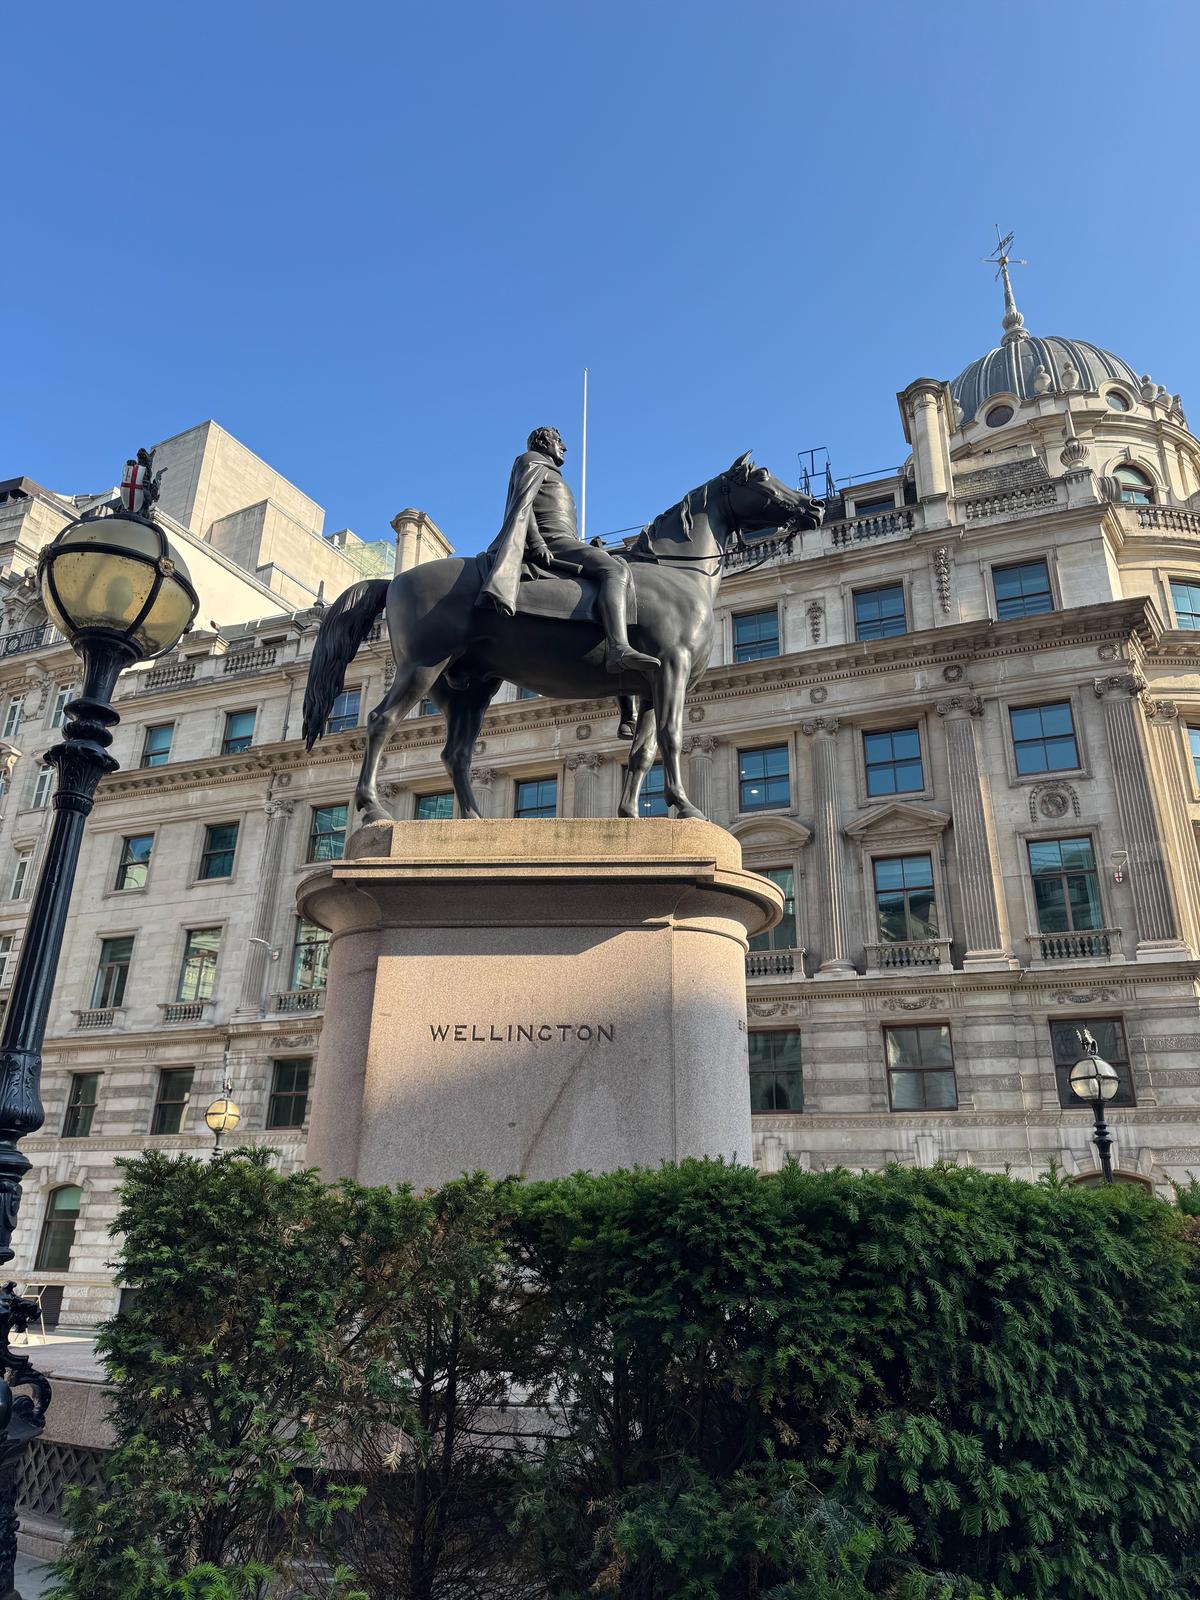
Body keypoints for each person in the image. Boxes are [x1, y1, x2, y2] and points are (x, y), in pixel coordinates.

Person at [479, 427, 660, 675]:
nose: (564, 447)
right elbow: (524, 505)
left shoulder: (550, 472)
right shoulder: (531, 460)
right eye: (559, 440)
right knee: (615, 570)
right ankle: (618, 648)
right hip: (553, 541)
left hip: (565, 541)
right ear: (543, 443)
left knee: (620, 563)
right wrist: (538, 542)